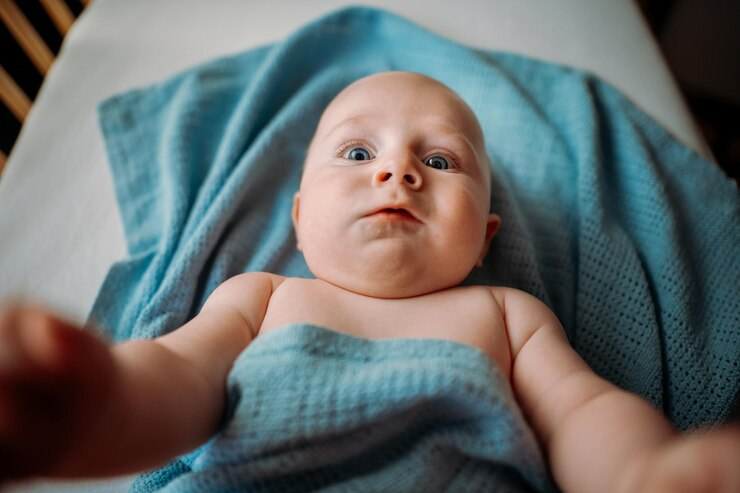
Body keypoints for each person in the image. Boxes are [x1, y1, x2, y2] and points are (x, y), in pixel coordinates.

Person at [1, 72, 738, 492]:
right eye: (357, 151)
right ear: (298, 216)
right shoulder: (262, 298)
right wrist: (94, 403)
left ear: (485, 238)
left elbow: (582, 410)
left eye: (443, 162)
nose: (398, 170)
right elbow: (177, 376)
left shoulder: (507, 314)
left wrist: (643, 471)